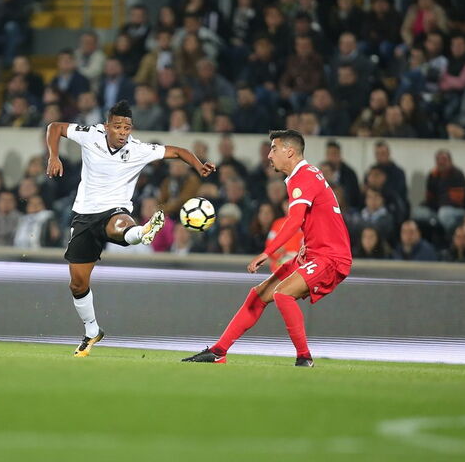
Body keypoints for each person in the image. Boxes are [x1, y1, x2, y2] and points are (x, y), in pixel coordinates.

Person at [46, 100, 215, 357]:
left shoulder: (139, 149)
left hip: (115, 210)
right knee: (78, 285)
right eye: (118, 126)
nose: (123, 132)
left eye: (127, 127)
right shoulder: (90, 134)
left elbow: (178, 151)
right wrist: (54, 155)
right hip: (84, 215)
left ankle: (142, 232)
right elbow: (54, 127)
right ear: (107, 126)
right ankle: (92, 330)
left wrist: (198, 164)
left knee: (120, 225)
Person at [183, 129, 352, 366]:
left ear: (289, 151)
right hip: (312, 254)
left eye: (274, 149)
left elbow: (294, 220)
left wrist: (267, 252)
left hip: (330, 257)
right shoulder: (304, 175)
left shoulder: (303, 177)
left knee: (282, 294)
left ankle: (304, 358)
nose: (269, 155)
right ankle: (218, 351)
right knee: (258, 295)